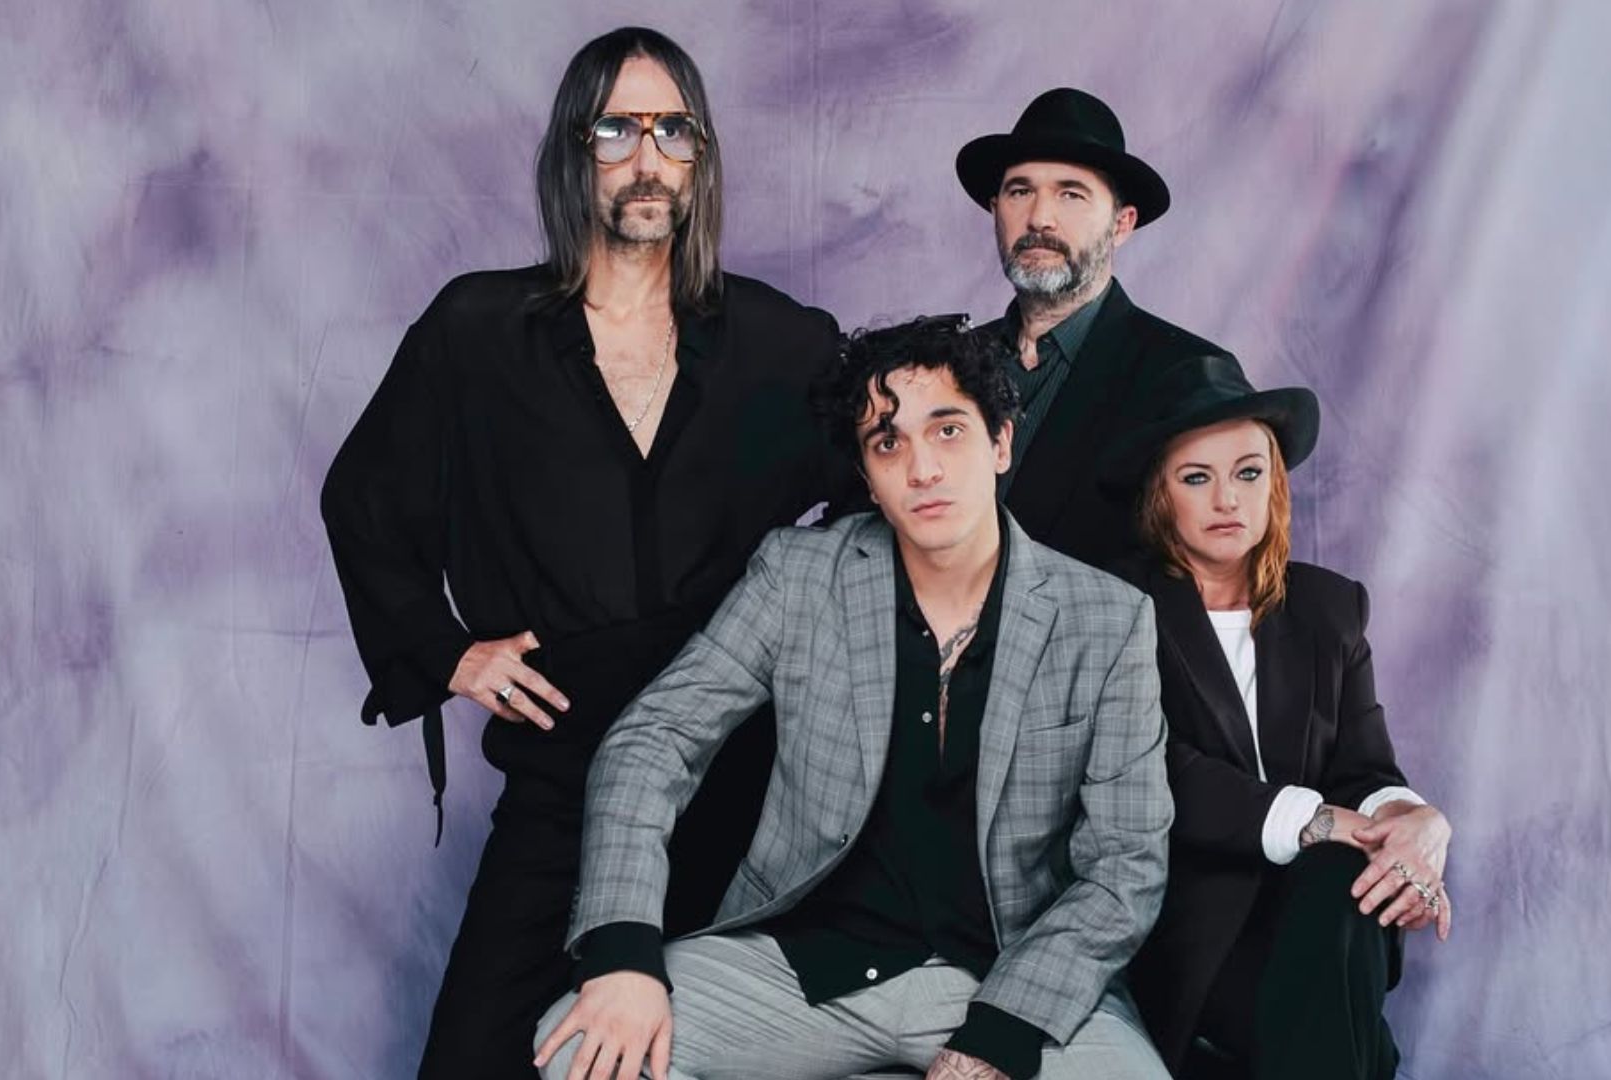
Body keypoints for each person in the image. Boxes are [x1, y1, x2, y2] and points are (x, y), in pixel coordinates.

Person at [318, 27, 845, 1079]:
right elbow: (364, 501)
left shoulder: (781, 343)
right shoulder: (478, 332)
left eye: (673, 130)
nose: (648, 157)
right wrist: (449, 653)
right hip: (563, 774)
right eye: (618, 130)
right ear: (575, 151)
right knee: (478, 1057)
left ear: (700, 157)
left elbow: (895, 493)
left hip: (739, 781)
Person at [531, 316, 1173, 1080]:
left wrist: (1002, 1034)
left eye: (948, 431)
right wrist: (622, 950)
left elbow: (1126, 865)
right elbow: (654, 739)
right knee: (580, 1048)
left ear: (1001, 443)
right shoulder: (798, 574)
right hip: (806, 966)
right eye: (887, 443)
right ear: (867, 477)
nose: (922, 469)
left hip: (1008, 971)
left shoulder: (1107, 618)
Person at [1104, 358, 1455, 1078]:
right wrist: (1320, 821)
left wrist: (1414, 828)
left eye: (1248, 473)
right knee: (1341, 955)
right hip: (1191, 927)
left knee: (1343, 885)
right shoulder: (1117, 608)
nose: (1226, 498)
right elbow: (1157, 772)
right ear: (1160, 495)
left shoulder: (1329, 608)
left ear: (1275, 485)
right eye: (1196, 478)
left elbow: (1365, 768)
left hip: (1327, 920)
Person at [955, 87, 1247, 570]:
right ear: (995, 210)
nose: (1039, 218)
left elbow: (1220, 574)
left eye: (1071, 194)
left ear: (1121, 224)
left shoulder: (1189, 375)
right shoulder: (945, 364)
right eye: (1020, 191)